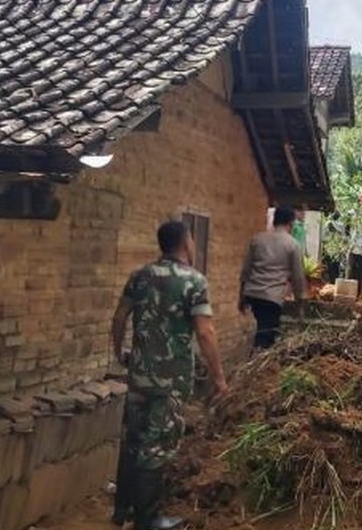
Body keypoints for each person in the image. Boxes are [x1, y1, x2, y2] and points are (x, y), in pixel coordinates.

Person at [110, 221, 227, 530]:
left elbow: (120, 316)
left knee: (132, 440)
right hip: (170, 382)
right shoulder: (193, 281)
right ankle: (148, 521)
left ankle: (121, 511)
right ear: (187, 242)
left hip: (138, 375)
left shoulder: (140, 276)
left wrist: (119, 352)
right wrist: (218, 377)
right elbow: (205, 331)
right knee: (157, 446)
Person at [238, 206, 307, 350]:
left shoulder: (257, 239)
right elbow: (298, 277)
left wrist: (241, 296)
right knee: (265, 339)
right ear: (291, 223)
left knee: (260, 332)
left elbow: (246, 270)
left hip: (252, 294)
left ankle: (254, 362)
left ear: (274, 220)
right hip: (272, 298)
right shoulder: (292, 245)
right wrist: (299, 303)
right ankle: (257, 368)